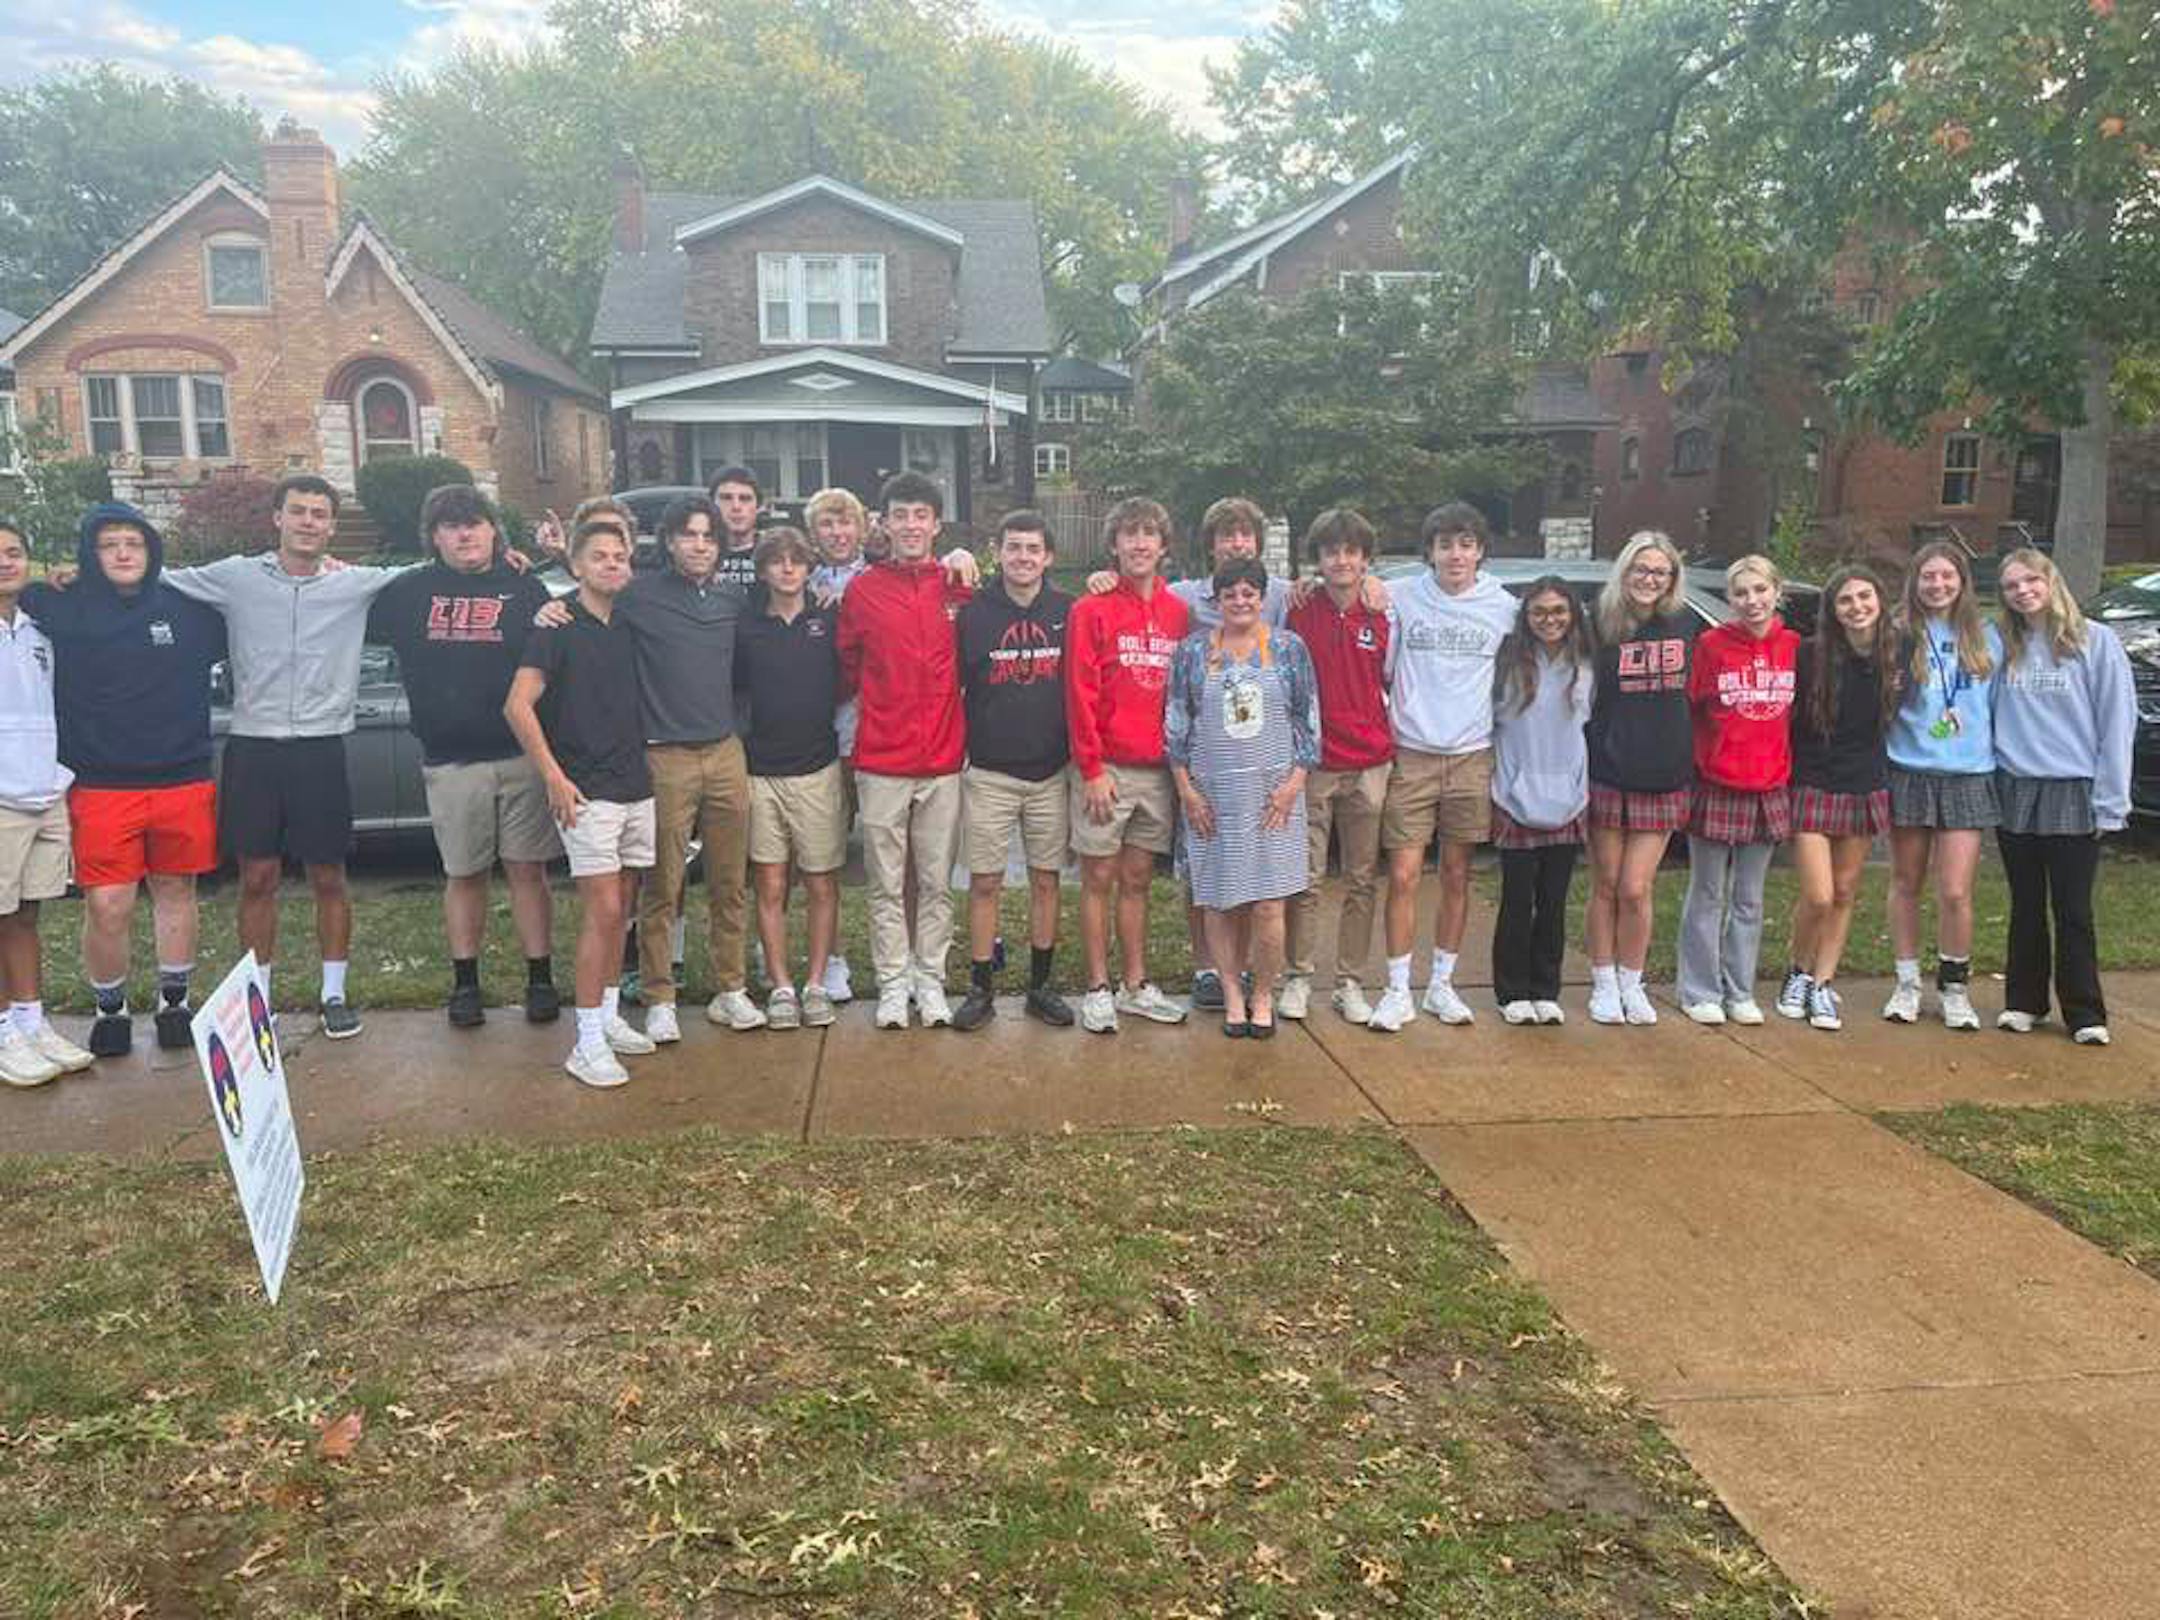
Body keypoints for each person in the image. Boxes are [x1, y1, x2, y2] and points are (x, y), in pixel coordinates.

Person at [163, 473, 419, 1039]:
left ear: (332, 525)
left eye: (319, 514)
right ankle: (260, 1000)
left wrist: (517, 564)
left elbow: (433, 573)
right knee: (257, 876)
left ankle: (334, 994)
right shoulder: (234, 577)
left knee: (329, 873)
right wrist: (69, 581)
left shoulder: (356, 583)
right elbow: (151, 576)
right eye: (298, 511)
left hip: (322, 747)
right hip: (254, 747)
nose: (308, 522)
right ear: (277, 518)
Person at [539, 494, 765, 1038]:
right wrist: (550, 606)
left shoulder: (734, 598)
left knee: (731, 880)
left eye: (709, 536)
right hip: (664, 755)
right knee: (664, 883)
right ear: (668, 541)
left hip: (724, 749)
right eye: (689, 534)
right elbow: (586, 598)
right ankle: (660, 994)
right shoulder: (638, 595)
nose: (700, 545)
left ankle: (730, 988)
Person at [23, 503, 224, 1058]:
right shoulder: (57, 606)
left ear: (151, 550)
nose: (123, 553)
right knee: (109, 903)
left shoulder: (191, 611)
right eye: (109, 544)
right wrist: (49, 576)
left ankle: (175, 1003)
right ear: (91, 554)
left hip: (182, 777)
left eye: (133, 542)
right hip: (102, 783)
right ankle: (110, 1008)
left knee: (174, 890)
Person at [367, 484, 559, 1028]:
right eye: (452, 526)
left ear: (494, 531)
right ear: (434, 537)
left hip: (521, 756)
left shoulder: (525, 587)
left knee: (528, 870)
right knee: (465, 873)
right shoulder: (406, 593)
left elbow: (560, 652)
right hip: (451, 763)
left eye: (475, 523)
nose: (465, 534)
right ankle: (465, 983)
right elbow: (341, 609)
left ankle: (540, 978)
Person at [504, 519, 657, 1088]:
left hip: (634, 782)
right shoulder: (556, 624)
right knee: (604, 911)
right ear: (576, 565)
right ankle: (585, 1043)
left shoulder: (629, 621)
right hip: (584, 788)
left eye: (620, 556)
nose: (612, 564)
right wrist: (552, 776)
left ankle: (609, 1017)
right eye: (599, 556)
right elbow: (518, 706)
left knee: (626, 904)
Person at [1369, 502, 1518, 1033]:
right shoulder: (1401, 596)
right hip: (1412, 754)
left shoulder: (1503, 608)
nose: (1455, 554)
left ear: (1480, 550)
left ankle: (1441, 985)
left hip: (1472, 756)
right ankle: (1395, 989)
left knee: (1457, 874)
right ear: (1429, 551)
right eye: (1445, 544)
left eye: (1466, 543)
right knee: (1405, 875)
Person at [836, 471, 970, 1029]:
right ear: (884, 524)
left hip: (942, 760)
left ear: (936, 524)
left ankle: (930, 979)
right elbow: (847, 665)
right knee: (886, 883)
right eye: (900, 516)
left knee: (937, 882)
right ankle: (893, 982)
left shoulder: (958, 586)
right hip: (883, 760)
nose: (911, 525)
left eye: (921, 515)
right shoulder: (862, 590)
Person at [1167, 557, 1319, 1036]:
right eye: (1229, 592)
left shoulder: (1290, 648)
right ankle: (1231, 990)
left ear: (1261, 596)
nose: (1239, 600)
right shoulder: (1191, 652)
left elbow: (1308, 723)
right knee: (1219, 902)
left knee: (1269, 905)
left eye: (1249, 591)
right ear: (1216, 600)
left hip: (1274, 799)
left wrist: (1293, 785)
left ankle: (1262, 994)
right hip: (1212, 797)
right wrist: (1187, 792)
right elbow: (1176, 727)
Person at [1992, 547, 2136, 1046]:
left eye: (2030, 580)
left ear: (2051, 581)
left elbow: (2117, 723)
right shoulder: (2001, 644)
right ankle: (2023, 1001)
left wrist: (2111, 800)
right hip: (2016, 790)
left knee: (2073, 908)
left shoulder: (2095, 642)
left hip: (2075, 790)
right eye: (2011, 586)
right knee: (2025, 904)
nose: (2022, 591)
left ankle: (2084, 1011)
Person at [1065, 497, 1192, 1033]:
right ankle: (1097, 987)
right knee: (1098, 876)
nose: (1139, 544)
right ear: (1113, 544)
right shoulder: (1090, 610)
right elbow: (1079, 693)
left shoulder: (1177, 612)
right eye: (1129, 534)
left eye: (1149, 534)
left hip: (1156, 769)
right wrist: (1091, 768)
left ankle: (1134, 984)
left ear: (1163, 546)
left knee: (1138, 879)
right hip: (1106, 767)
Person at [954, 509, 1075, 1030]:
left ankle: (1039, 985)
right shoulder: (974, 614)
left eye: (1033, 548)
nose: (1023, 557)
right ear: (997, 552)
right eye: (1013, 547)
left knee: (1047, 881)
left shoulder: (1071, 609)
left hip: (1051, 770)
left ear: (1048, 556)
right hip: (990, 771)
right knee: (985, 882)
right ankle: (981, 987)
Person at [1884, 538, 2002, 1030]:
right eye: (1928, 577)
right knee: (1906, 882)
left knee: (1955, 890)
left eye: (1946, 576)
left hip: (1967, 773)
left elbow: (2000, 707)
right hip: (1910, 768)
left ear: (1962, 581)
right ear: (1915, 581)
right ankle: (1906, 984)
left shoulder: (1987, 637)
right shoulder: (1897, 634)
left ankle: (1954, 987)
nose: (1937, 585)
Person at [1677, 556, 1799, 1026]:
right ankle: (1700, 989)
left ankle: (1740, 989)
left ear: (1776, 591)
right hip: (1716, 782)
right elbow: (1691, 709)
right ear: (1729, 599)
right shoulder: (1710, 645)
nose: (1752, 601)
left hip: (1768, 785)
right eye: (1741, 593)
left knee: (1749, 897)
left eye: (1759, 590)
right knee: (1707, 892)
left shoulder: (1793, 646)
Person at [1283, 508, 1393, 1025]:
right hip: (1314, 763)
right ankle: (1299, 976)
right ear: (1319, 559)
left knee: (1361, 879)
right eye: (1331, 551)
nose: (1341, 560)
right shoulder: (1300, 609)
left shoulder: (1384, 612)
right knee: (1304, 879)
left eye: (1351, 551)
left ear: (1366, 560)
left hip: (1370, 763)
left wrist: (1384, 593)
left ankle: (1349, 981)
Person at [733, 528, 845, 1029]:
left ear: (808, 568)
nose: (786, 569)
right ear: (763, 570)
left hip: (818, 768)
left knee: (822, 882)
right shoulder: (746, 626)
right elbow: (733, 689)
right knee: (771, 884)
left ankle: (817, 982)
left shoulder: (828, 619)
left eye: (795, 561)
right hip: (760, 771)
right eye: (776, 562)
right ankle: (780, 984)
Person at [1779, 565, 1899, 1031]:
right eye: (1846, 600)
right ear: (1833, 610)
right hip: (1812, 780)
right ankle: (1797, 970)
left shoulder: (1898, 652)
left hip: (1864, 782)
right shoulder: (1810, 655)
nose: (1857, 607)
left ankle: (1822, 984)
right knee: (1819, 894)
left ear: (1880, 600)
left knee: (1846, 891)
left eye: (1865, 597)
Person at [1583, 530, 1695, 1026]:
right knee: (1606, 883)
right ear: (1624, 571)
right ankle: (1603, 982)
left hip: (1664, 772)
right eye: (1640, 569)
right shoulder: (1599, 622)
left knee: (1635, 887)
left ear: (1671, 578)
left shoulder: (1687, 623)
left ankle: (1633, 981)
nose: (1649, 579)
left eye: (1659, 571)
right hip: (1607, 769)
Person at [0, 519, 93, 1084]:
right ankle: (4, 1030)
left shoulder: (38, 629)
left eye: (14, 552)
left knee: (27, 914)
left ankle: (33, 1021)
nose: (5, 561)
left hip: (43, 789)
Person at [1488, 578, 1594, 1025]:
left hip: (1568, 794)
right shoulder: (1508, 661)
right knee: (1517, 899)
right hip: (1515, 794)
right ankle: (1511, 992)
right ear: (1525, 617)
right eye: (1539, 612)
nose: (1550, 620)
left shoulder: (1587, 664)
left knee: (1553, 899)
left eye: (1559, 611)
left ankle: (1545, 988)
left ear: (1573, 614)